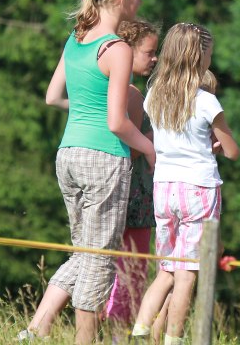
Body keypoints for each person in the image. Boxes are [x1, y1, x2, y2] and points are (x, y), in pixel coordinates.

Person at [21, 0, 156, 344]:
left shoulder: (75, 40)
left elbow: (53, 97)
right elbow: (117, 123)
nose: (140, 2)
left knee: (83, 252)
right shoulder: (117, 49)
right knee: (99, 258)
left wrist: (85, 110)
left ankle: (35, 331)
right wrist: (148, 149)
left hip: (69, 154)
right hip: (104, 158)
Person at [130, 23, 240, 345]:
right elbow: (231, 151)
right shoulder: (206, 101)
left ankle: (138, 332)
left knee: (165, 269)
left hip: (164, 188)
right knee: (186, 274)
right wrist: (217, 143)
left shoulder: (154, 94)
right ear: (199, 57)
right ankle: (174, 339)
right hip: (199, 189)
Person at [103, 19, 160, 329]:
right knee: (132, 270)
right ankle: (119, 330)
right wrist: (152, 143)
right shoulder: (133, 94)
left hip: (111, 189)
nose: (154, 59)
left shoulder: (109, 90)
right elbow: (129, 148)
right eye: (149, 52)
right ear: (130, 49)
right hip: (135, 193)